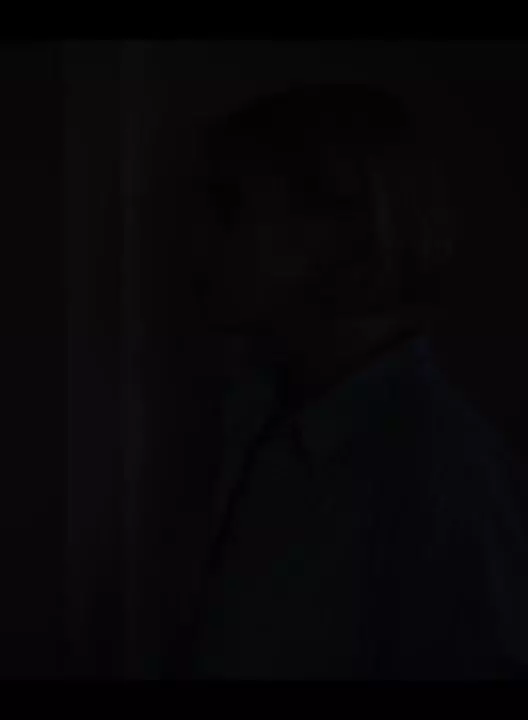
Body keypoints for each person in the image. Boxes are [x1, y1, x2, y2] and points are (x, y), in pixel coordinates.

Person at [175, 83, 528, 679]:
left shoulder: (442, 472)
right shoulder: (261, 417)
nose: (198, 242)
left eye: (230, 209)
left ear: (344, 237)